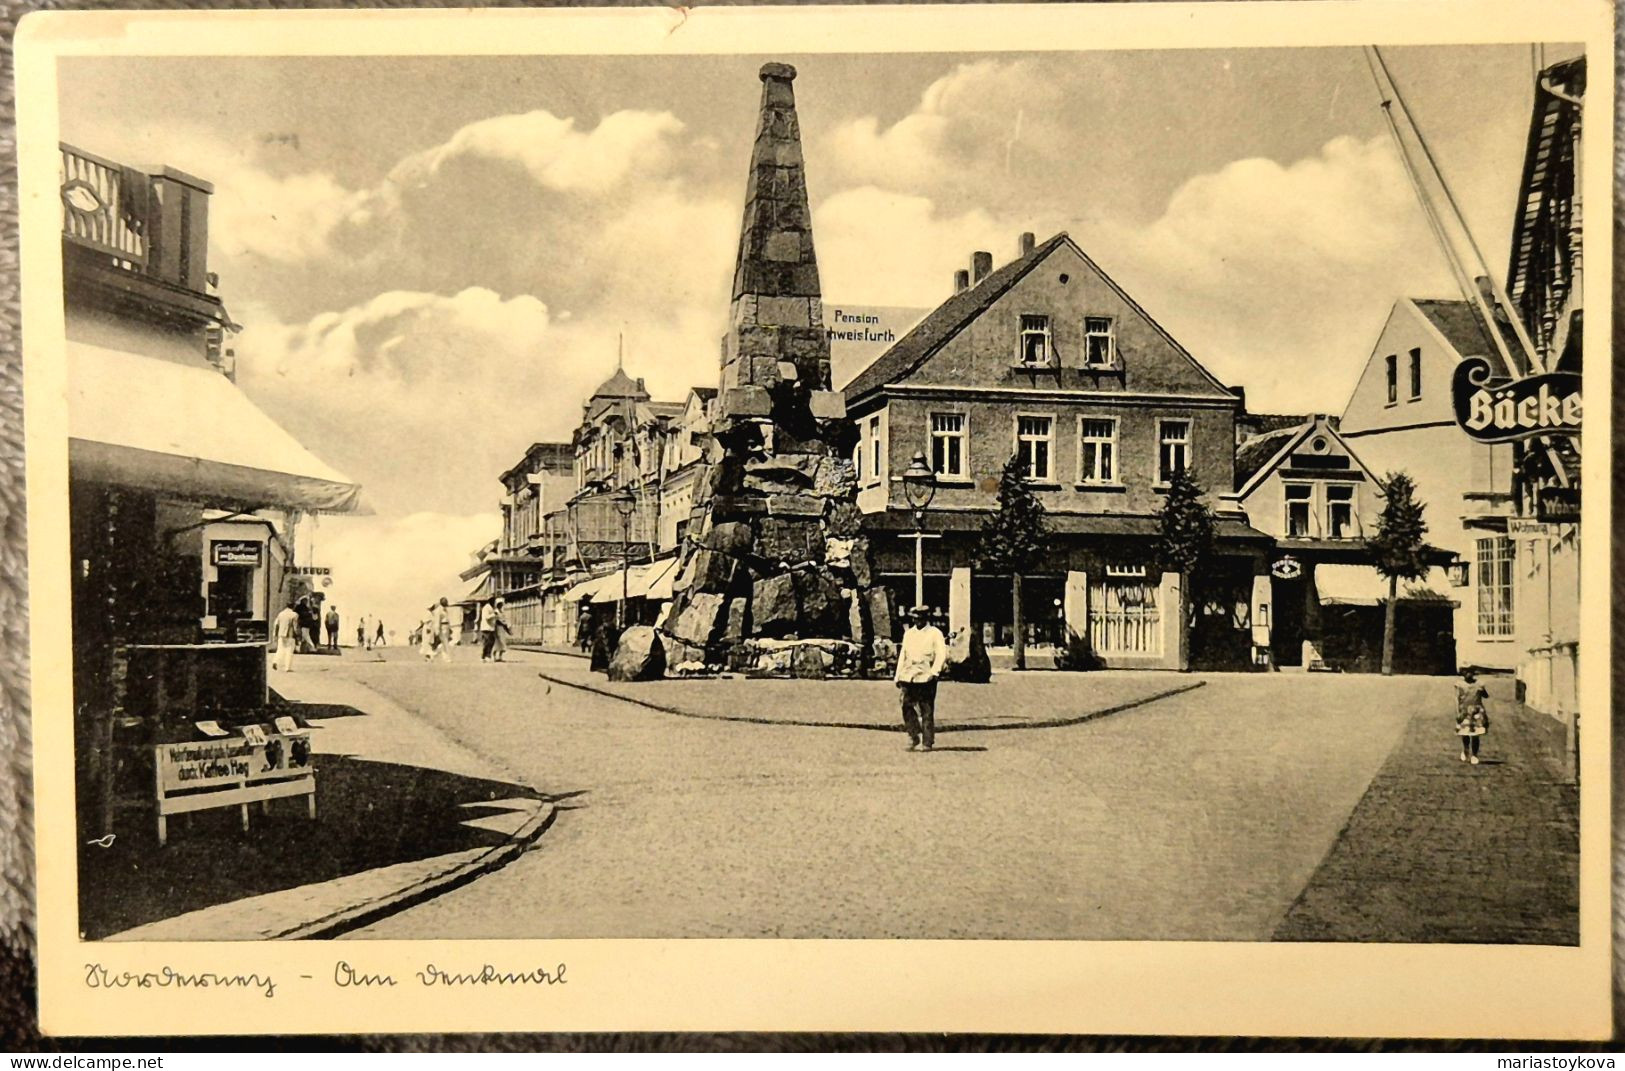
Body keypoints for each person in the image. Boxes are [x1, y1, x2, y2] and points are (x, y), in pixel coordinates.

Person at [894, 604, 948, 752]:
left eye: (921, 618)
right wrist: (897, 676)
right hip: (909, 674)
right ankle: (913, 735)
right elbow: (903, 655)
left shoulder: (935, 633)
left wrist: (934, 672)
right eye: (915, 618)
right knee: (906, 705)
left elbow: (941, 654)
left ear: (926, 618)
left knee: (926, 709)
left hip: (926, 674)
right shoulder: (909, 634)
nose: (918, 621)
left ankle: (927, 741)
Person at [1455, 668, 1490, 765]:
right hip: (1464, 711)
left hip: (1476, 711)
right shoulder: (1459, 685)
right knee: (1465, 733)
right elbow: (1457, 699)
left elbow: (1486, 696)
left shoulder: (1479, 684)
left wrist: (1482, 691)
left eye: (1470, 672)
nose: (1468, 674)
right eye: (1466, 672)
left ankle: (1474, 755)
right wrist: (1458, 712)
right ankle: (1466, 750)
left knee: (1475, 735)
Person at [272, 598, 300, 673]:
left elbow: (276, 624)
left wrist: (275, 634)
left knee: (280, 649)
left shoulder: (281, 614)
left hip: (281, 634)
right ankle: (287, 667)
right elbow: (295, 626)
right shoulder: (294, 615)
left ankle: (275, 661)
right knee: (289, 651)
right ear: (293, 606)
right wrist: (297, 635)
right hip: (290, 635)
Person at [491, 597, 510, 662]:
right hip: (497, 628)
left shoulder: (502, 612)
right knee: (497, 642)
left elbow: (504, 620)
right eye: (500, 604)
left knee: (502, 642)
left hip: (502, 629)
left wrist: (506, 627)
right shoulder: (496, 612)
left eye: (501, 604)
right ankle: (494, 657)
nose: (501, 606)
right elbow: (497, 620)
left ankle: (500, 656)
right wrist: (503, 624)